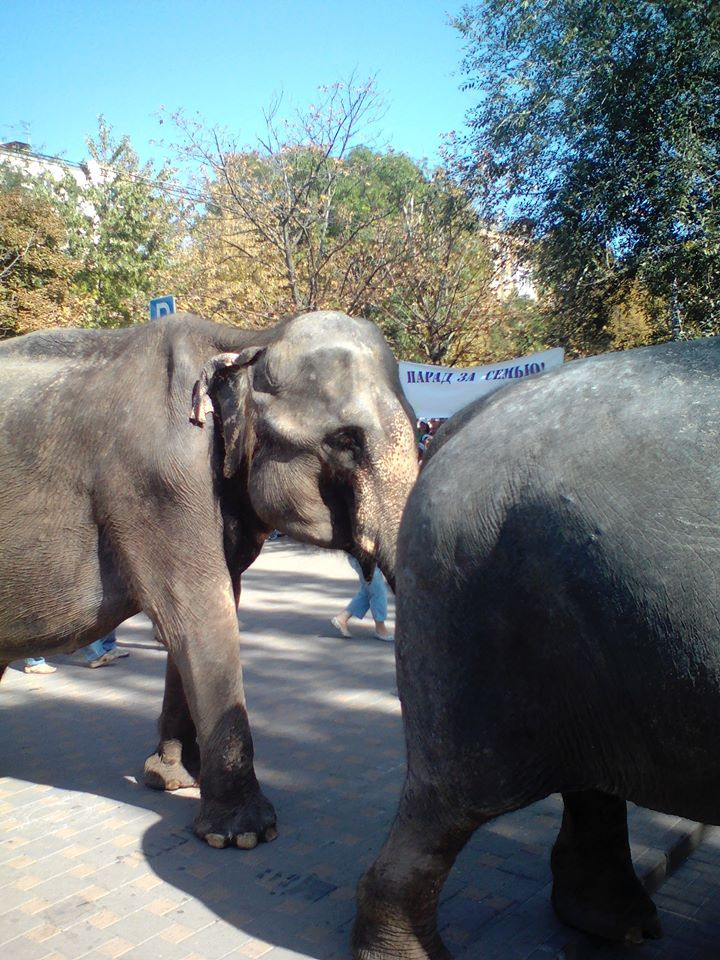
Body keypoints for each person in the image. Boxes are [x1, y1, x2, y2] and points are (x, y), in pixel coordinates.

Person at [331, 555, 393, 642]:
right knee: (379, 591)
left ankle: (342, 618)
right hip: (363, 556)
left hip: (363, 556)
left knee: (368, 591)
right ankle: (380, 628)